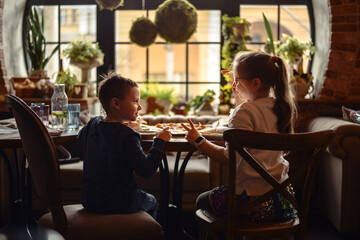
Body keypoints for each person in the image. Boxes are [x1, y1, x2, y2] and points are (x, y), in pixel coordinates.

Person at [182, 51, 297, 221]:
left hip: (250, 203)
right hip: (283, 202)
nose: (233, 85)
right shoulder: (281, 107)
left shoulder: (244, 112)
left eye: (236, 80)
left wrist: (198, 140)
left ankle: (232, 233)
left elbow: (228, 157)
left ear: (256, 83)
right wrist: (240, 105)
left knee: (201, 200)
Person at [77, 72, 171, 219]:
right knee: (151, 201)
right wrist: (160, 141)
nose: (140, 107)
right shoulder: (128, 135)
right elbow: (146, 171)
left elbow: (81, 139)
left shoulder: (92, 124)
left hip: (89, 200)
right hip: (121, 202)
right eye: (135, 101)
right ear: (116, 103)